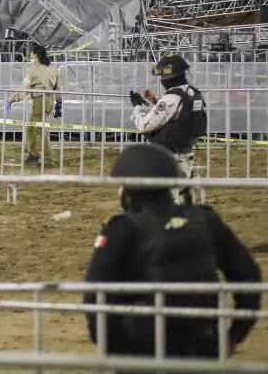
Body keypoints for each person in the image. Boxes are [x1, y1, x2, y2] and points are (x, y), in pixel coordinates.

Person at [84, 143, 260, 360]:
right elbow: (249, 276)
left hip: (144, 353)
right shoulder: (206, 220)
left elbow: (95, 298)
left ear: (129, 190)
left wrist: (116, 350)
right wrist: (234, 336)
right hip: (204, 347)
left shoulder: (122, 229)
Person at [129, 53, 207, 204]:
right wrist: (155, 101)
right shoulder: (192, 93)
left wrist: (137, 107)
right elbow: (178, 115)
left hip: (170, 158)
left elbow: (145, 125)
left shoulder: (172, 97)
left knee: (168, 203)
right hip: (186, 153)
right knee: (186, 201)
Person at [6, 43, 61, 165]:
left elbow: (24, 88)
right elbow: (58, 88)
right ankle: (33, 154)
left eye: (31, 54)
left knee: (38, 130)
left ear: (35, 55)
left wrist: (12, 99)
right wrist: (59, 102)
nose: (30, 56)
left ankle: (47, 159)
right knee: (30, 127)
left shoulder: (33, 70)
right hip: (49, 101)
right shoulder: (52, 68)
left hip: (40, 101)